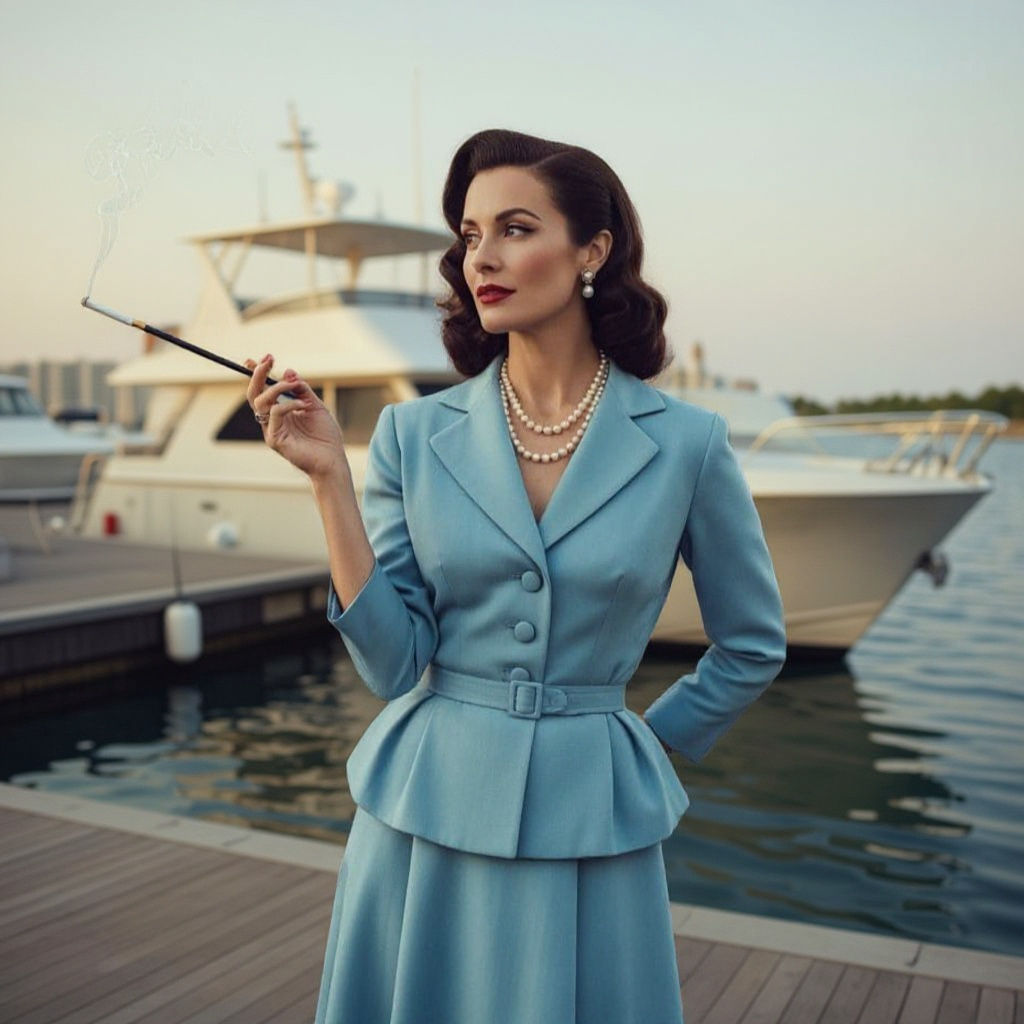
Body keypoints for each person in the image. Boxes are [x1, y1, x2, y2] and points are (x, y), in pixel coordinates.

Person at [245, 128, 787, 1024]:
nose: (480, 258)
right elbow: (390, 666)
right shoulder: (411, 437)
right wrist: (329, 482)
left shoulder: (688, 443)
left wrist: (644, 743)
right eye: (468, 236)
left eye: (514, 229)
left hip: (592, 822)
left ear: (593, 250)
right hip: (423, 815)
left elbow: (753, 643)